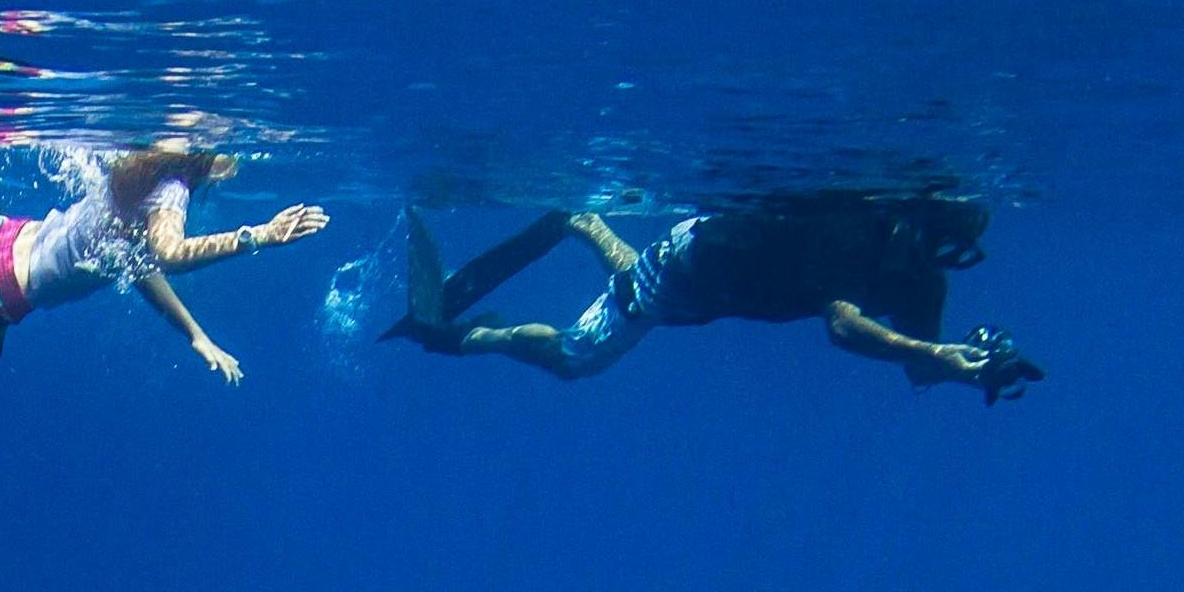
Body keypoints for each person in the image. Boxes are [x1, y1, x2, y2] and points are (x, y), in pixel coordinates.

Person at [0, 140, 329, 427]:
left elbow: (134, 264)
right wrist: (256, 236)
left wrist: (194, 333)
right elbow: (168, 256)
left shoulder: (135, 156)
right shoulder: (173, 190)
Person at [386, 193, 1040, 401]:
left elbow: (921, 367)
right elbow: (841, 327)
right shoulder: (851, 234)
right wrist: (938, 352)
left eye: (943, 250)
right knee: (578, 358)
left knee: (653, 295)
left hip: (714, 283)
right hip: (701, 261)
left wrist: (963, 363)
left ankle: (583, 222)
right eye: (929, 239)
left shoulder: (921, 281)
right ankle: (470, 337)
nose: (929, 259)